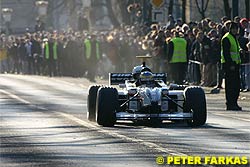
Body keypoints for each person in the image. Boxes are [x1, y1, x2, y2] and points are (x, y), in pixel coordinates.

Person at [221, 22, 242, 111]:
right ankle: (230, 103)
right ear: (230, 29)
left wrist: (241, 51)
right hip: (229, 65)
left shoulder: (234, 38)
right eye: (233, 28)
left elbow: (236, 50)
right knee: (231, 86)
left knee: (236, 85)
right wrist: (231, 64)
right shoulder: (226, 38)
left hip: (235, 64)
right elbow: (226, 53)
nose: (235, 30)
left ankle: (234, 102)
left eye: (236, 28)